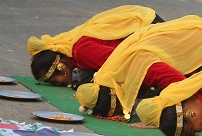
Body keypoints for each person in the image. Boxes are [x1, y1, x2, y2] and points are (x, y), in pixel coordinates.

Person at [75, 16, 202, 120]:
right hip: (200, 48)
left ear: (118, 94)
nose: (128, 107)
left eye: (121, 107)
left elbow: (181, 84)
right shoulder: (122, 72)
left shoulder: (139, 65)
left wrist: (159, 115)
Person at [27, 5, 164, 88]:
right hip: (145, 32)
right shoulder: (76, 55)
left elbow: (123, 61)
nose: (56, 84)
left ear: (60, 66)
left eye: (53, 81)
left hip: (152, 35)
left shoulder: (81, 51)